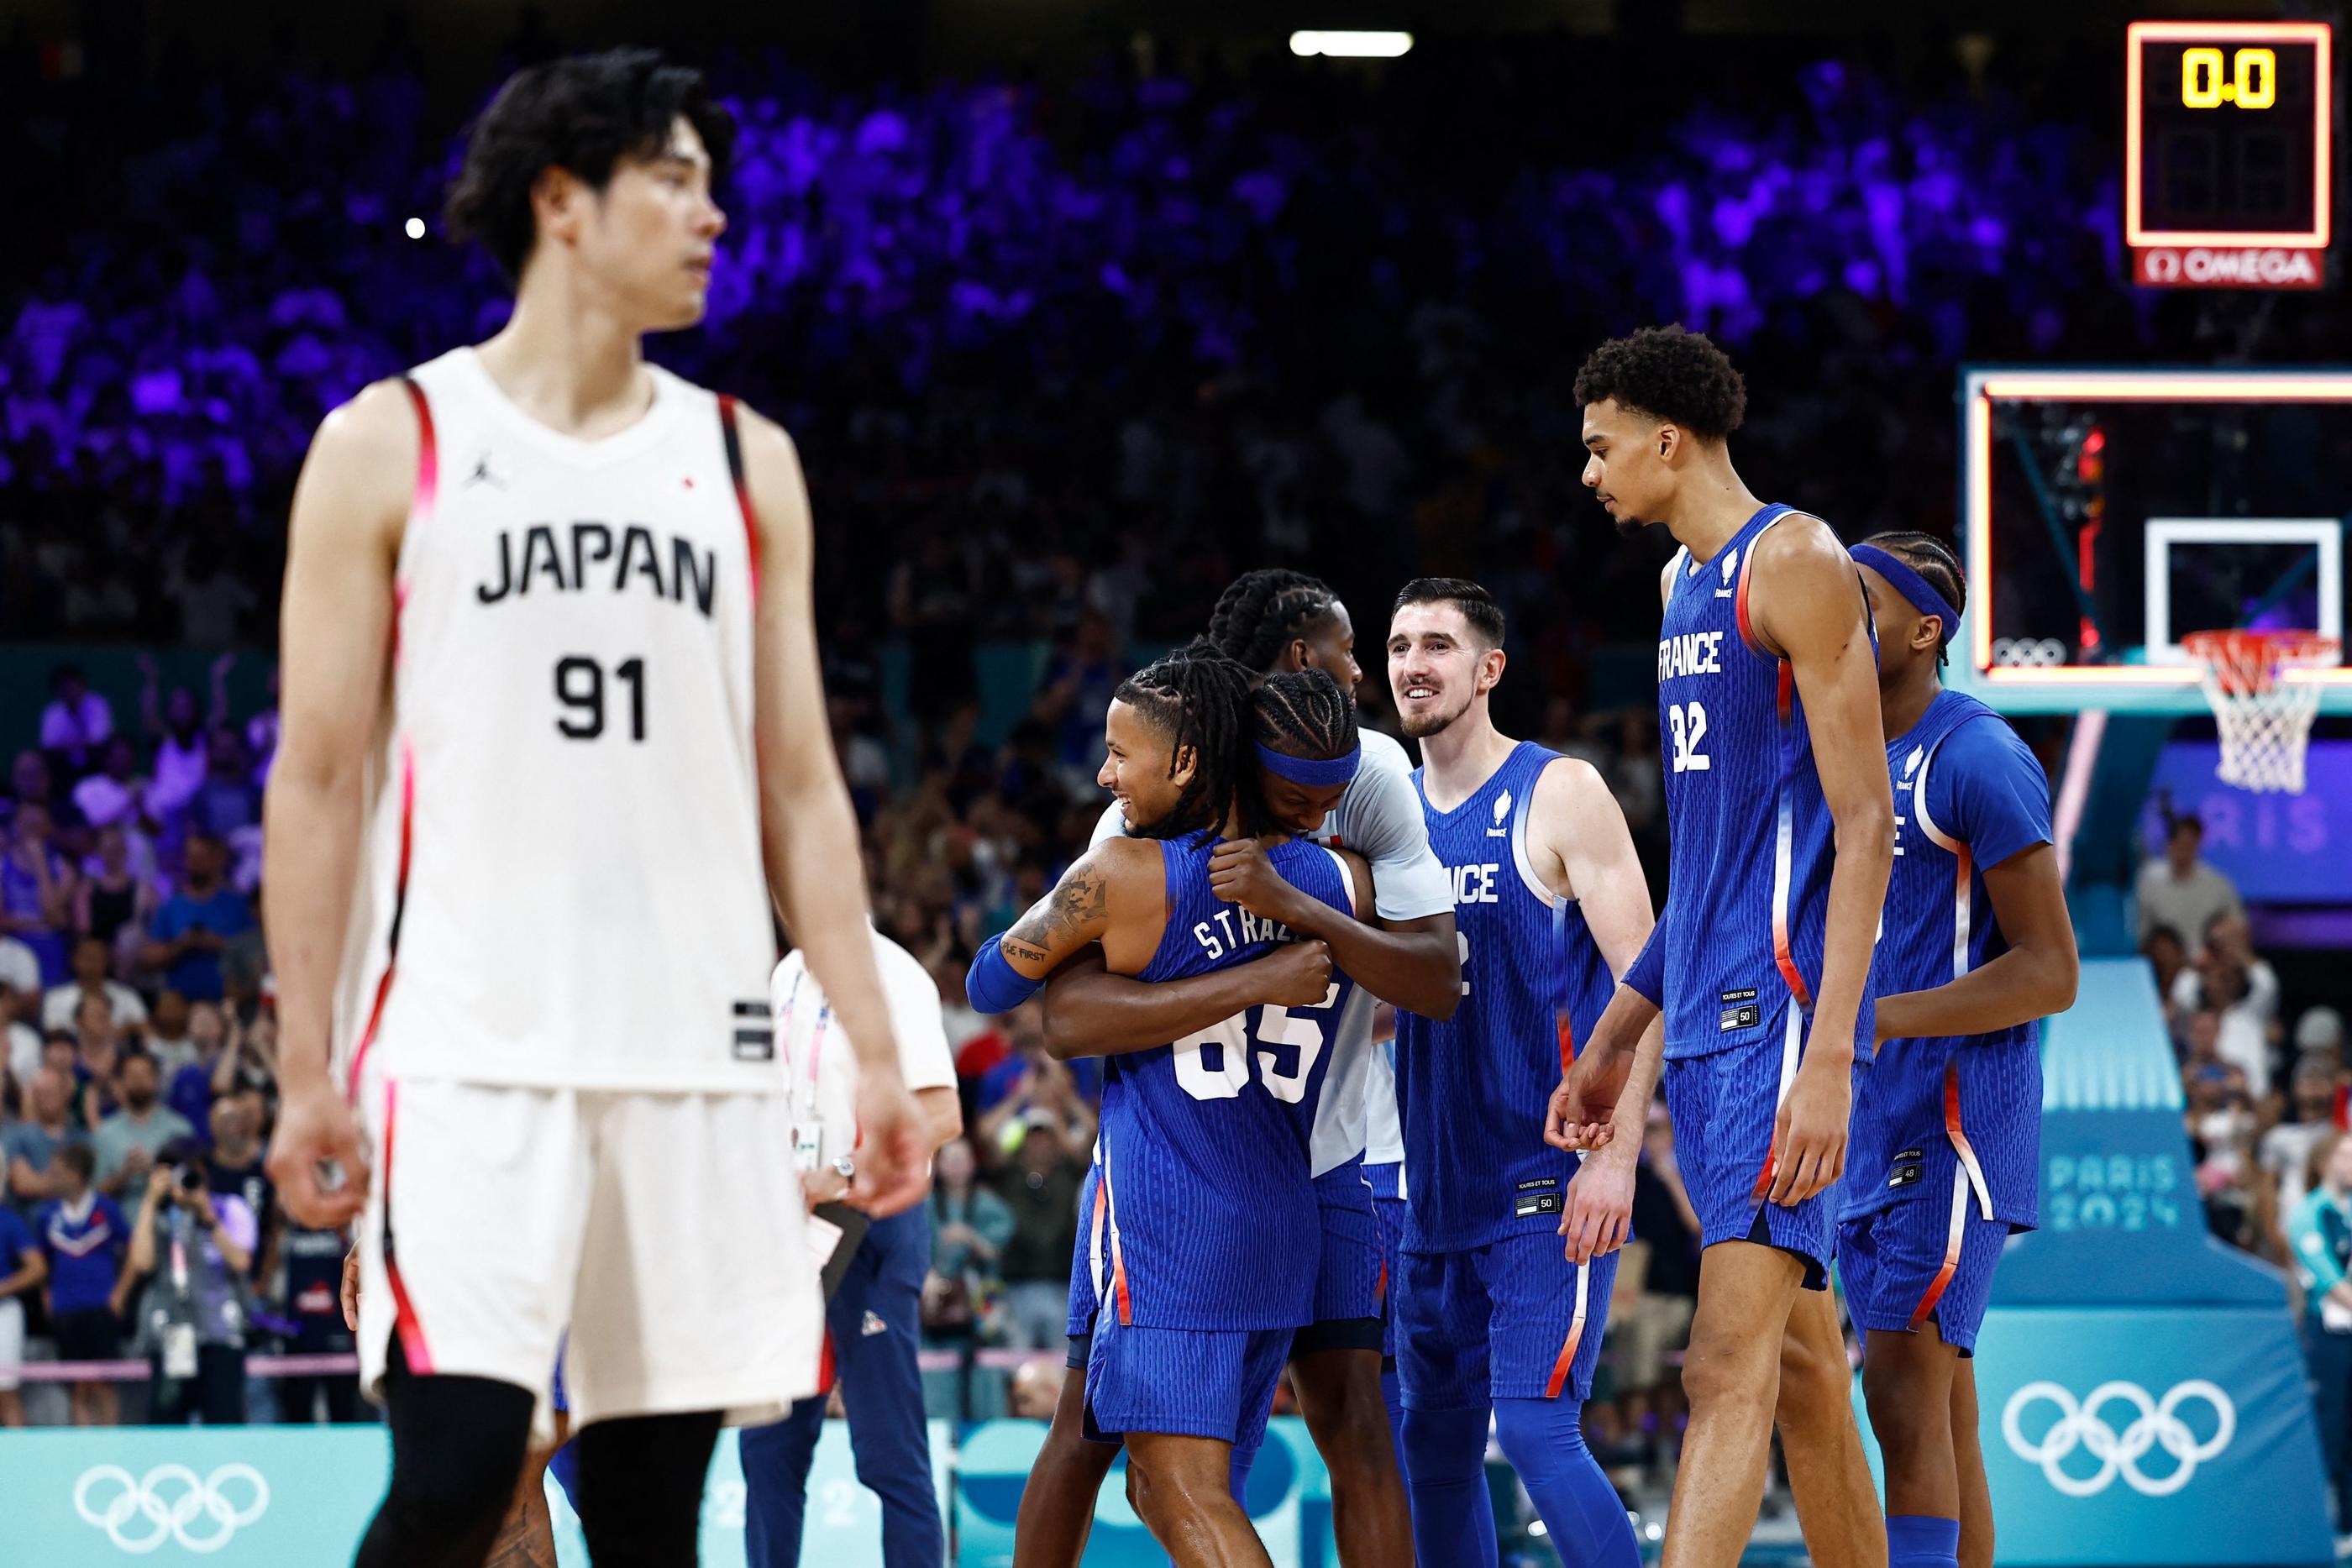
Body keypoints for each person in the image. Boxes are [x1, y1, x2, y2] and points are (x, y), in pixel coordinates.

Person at [260, 49, 928, 1568]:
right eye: (675, 182)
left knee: (644, 1511)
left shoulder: (745, 458)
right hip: (464, 1046)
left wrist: (876, 1051)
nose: (712, 217)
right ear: (563, 202)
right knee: (456, 1477)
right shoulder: (388, 443)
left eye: (712, 185)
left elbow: (804, 783)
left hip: (692, 1049)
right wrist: (307, 1065)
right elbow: (314, 779)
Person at [1020, 572, 1460, 1568]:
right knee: (1096, 1433)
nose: (1363, 670)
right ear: (1301, 659)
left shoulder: (1366, 772)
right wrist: (1265, 969)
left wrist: (1301, 913)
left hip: (1315, 1154)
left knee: (1314, 1429)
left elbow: (1439, 980)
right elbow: (1070, 1010)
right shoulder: (1155, 802)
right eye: (1351, 649)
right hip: (1191, 1172)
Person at [1547, 324, 1895, 1568]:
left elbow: (1867, 825)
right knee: (1800, 1364)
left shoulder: (1795, 559)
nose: (1587, 473)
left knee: (1720, 1360)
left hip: (1782, 1017)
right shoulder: (1674, 587)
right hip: (1701, 1018)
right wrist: (1611, 1040)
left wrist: (1835, 1056)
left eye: (1599, 447)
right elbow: (1708, 864)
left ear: (1666, 437)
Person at [967, 653, 1376, 1565]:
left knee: (1184, 1491)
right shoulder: (1341, 880)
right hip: (1280, 1209)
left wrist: (1072, 930)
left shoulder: (1125, 872)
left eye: (1119, 753)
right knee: (1162, 1486)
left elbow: (990, 978)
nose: (1105, 775)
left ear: (1185, 763)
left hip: (1172, 1217)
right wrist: (1256, 974)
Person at [1384, 576, 1655, 1568]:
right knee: (1436, 1451)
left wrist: (1615, 1159)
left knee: (1538, 1433)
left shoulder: (1558, 792)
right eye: (1402, 643)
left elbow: (1647, 981)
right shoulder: (1386, 813)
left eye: (1439, 645)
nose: (1414, 662)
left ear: (1489, 668)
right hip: (1430, 1192)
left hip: (1545, 1184)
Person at [1835, 533, 2078, 1568]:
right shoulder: (1836, 749)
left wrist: (1875, 1017)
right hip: (1862, 1115)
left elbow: (2048, 969)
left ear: (1924, 630)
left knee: (1896, 1388)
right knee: (1937, 1404)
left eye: (1860, 604)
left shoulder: (1976, 753)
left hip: (1953, 1118)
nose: (1835, 619)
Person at [740, 924, 964, 1568]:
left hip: (871, 1223)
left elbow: (943, 1112)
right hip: (794, 1232)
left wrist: (838, 1168)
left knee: (889, 1451)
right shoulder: (785, 974)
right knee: (768, 1451)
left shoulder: (894, 974)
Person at [126, 1137, 258, 1426]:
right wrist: (149, 1201)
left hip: (221, 1333)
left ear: (204, 1172)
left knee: (225, 1424)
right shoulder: (159, 1217)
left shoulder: (230, 1209)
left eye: (189, 1172)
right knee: (166, 1425)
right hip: (173, 1336)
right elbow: (142, 1262)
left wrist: (207, 1215)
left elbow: (241, 1261)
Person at [38, 1142, 130, 1425]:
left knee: (105, 1383)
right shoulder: (47, 1215)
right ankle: (82, 1449)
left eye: (56, 1172)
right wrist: (46, 1296)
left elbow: (134, 1251)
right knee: (78, 1385)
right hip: (66, 1309)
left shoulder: (107, 1209)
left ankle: (110, 1447)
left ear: (76, 1174)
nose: (50, 1177)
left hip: (102, 1306)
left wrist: (121, 1294)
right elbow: (42, 1260)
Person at [2288, 1134, 2352, 1540]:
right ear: (2326, 1161)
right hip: (2329, 1339)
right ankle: (2322, 1528)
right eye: (2347, 1155)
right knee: (2330, 1428)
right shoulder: (2309, 1214)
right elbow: (2329, 1280)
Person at [140, 831, 254, 1004]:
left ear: (218, 859)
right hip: (179, 1010)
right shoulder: (170, 907)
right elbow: (149, 961)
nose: (192, 864)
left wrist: (217, 943)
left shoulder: (239, 905)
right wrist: (183, 945)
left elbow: (255, 955)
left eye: (201, 857)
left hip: (230, 1004)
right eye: (189, 857)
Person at [2134, 812, 2242, 959]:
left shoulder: (2218, 885)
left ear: (2199, 843)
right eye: (2180, 840)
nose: (2185, 847)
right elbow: (2141, 934)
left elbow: (2238, 929)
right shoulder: (2149, 881)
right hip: (2164, 969)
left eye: (2190, 841)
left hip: (2206, 971)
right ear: (2169, 844)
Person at [93, 1048, 195, 1200]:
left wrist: (152, 1170)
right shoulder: (104, 1132)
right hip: (121, 1220)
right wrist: (125, 1173)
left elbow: (192, 1189)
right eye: (132, 1076)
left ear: (156, 1080)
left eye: (144, 1075)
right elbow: (94, 1194)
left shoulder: (180, 1128)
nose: (138, 1081)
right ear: (121, 1082)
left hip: (169, 1220)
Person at [5, 1065, 87, 1221]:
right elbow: (24, 1185)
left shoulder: (82, 1138)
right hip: (33, 1226)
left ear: (66, 1094)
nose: (44, 1100)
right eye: (39, 1095)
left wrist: (44, 1183)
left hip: (77, 1228)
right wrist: (71, 1184)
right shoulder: (17, 1135)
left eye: (50, 1093)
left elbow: (92, 1187)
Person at [44, 933, 149, 1034]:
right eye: (86, 956)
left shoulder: (127, 996)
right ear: (74, 960)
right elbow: (54, 1033)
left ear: (107, 961)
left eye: (97, 956)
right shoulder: (55, 998)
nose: (91, 961)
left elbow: (144, 1029)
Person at [0, 1191, 45, 1426]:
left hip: (3, 1313)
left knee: (5, 1392)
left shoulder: (8, 1221)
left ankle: (18, 1460)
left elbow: (37, 1267)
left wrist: (3, 1288)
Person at [40, 663, 114, 776]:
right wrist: (80, 744)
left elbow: (99, 741)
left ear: (82, 685)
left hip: (96, 765)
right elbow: (49, 746)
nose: (69, 691)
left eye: (72, 685)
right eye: (63, 687)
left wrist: (70, 745)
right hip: (63, 768)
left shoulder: (97, 704)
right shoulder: (52, 712)